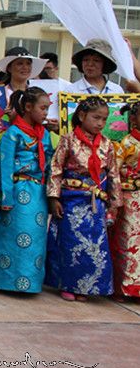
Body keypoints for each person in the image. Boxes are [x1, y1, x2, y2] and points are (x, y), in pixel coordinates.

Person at [46, 97, 121, 301]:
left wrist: (114, 204)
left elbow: (113, 174)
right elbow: (56, 168)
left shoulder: (107, 144)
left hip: (96, 203)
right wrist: (54, 198)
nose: (100, 123)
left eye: (104, 119)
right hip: (72, 200)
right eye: (96, 118)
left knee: (95, 244)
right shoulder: (68, 140)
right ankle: (68, 285)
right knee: (71, 243)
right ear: (81, 116)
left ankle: (87, 287)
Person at [0, 88, 53, 294]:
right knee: (13, 235)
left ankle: (31, 282)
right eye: (42, 108)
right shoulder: (12, 133)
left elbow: (49, 165)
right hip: (17, 190)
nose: (46, 113)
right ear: (28, 107)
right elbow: (4, 167)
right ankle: (3, 280)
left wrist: (51, 193)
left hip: (38, 193)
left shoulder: (45, 134)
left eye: (47, 109)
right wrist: (5, 197)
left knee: (36, 238)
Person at [112, 102, 140, 300]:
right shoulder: (127, 144)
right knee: (127, 241)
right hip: (129, 198)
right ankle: (123, 287)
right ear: (133, 119)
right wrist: (115, 199)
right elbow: (114, 172)